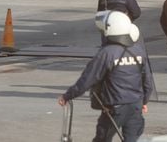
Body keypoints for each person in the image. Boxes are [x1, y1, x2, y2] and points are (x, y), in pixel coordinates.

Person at [58, 12, 153, 142]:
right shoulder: (138, 51)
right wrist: (144, 101)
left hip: (116, 107)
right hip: (135, 105)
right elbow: (147, 80)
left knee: (102, 138)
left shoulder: (107, 53)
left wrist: (67, 96)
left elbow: (87, 80)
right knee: (132, 139)